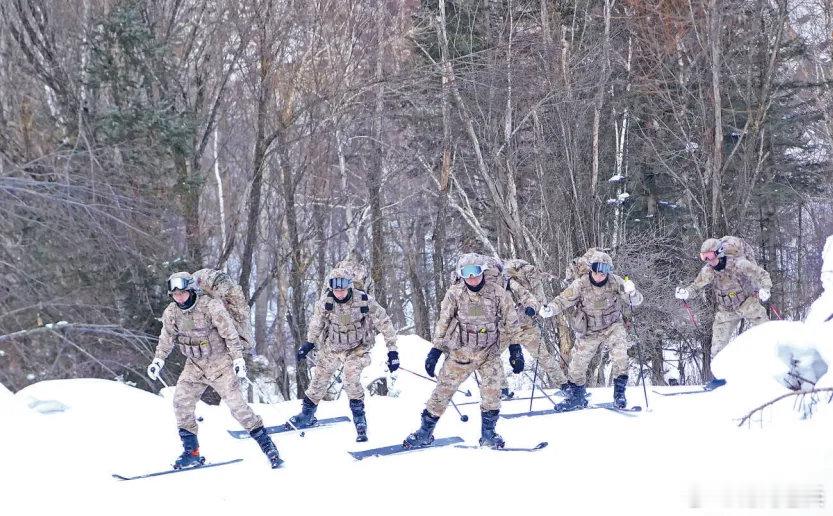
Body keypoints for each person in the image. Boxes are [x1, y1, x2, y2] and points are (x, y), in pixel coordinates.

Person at [147, 272, 282, 469]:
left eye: (182, 293)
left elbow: (230, 335)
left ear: (191, 290)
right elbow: (166, 338)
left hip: (221, 365)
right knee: (181, 404)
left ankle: (269, 448)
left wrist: (238, 359)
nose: (179, 298)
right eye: (175, 295)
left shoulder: (210, 307)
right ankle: (191, 453)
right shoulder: (172, 313)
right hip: (195, 366)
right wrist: (158, 360)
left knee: (238, 408)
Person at [403, 253, 525, 449]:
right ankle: (424, 432)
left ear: (482, 271)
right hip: (461, 353)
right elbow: (443, 322)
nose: (472, 277)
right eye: (466, 273)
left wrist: (515, 349)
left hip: (488, 353)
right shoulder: (455, 294)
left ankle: (488, 434)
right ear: (461, 275)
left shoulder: (498, 293)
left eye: (475, 271)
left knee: (493, 393)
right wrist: (435, 351)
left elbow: (511, 322)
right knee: (442, 391)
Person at [290, 265, 398, 442]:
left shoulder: (363, 300)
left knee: (350, 379)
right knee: (319, 379)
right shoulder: (326, 302)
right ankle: (306, 414)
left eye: (342, 288)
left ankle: (360, 420)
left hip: (357, 349)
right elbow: (317, 323)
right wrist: (309, 343)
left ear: (349, 286)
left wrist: (392, 350)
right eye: (336, 289)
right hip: (333, 346)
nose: (339, 293)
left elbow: (384, 322)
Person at [539, 251, 643, 410]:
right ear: (590, 268)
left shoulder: (615, 282)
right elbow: (562, 300)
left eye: (604, 270)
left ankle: (619, 394)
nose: (600, 274)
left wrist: (633, 293)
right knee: (577, 363)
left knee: (620, 355)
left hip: (612, 325)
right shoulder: (580, 284)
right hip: (589, 329)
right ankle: (577, 396)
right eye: (596, 269)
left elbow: (635, 301)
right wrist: (550, 309)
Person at [675, 237, 772, 382]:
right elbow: (696, 286)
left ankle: (775, 371)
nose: (708, 260)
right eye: (703, 257)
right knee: (717, 347)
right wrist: (686, 293)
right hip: (726, 310)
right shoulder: (708, 271)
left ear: (719, 252)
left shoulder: (739, 264)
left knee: (767, 335)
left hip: (748, 304)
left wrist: (765, 289)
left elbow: (762, 274)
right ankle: (719, 380)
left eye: (710, 256)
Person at [500, 258, 567, 394]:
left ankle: (564, 386)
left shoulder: (533, 283)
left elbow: (538, 302)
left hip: (527, 327)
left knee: (543, 356)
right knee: (490, 358)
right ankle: (501, 389)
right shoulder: (506, 283)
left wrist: (532, 308)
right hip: (507, 329)